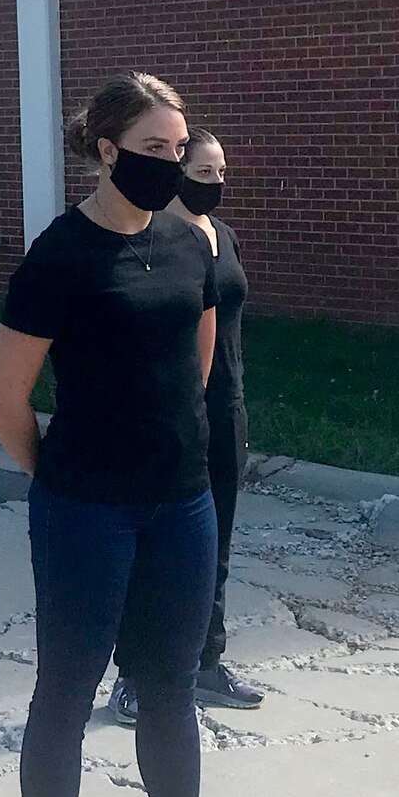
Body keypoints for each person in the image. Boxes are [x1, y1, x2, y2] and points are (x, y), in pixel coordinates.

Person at [0, 71, 274, 797]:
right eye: (154, 148)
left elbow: (193, 369)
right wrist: (65, 475)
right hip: (85, 509)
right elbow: (6, 398)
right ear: (106, 148)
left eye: (179, 147)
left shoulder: (192, 244)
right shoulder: (60, 255)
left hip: (180, 502)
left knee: (171, 686)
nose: (173, 162)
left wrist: (160, 459)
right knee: (65, 696)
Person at [109, 129, 266, 724]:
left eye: (222, 172)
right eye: (202, 173)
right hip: (170, 414)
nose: (215, 184)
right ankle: (133, 674)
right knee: (153, 550)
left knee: (213, 547)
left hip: (227, 408)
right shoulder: (153, 240)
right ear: (177, 171)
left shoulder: (220, 235)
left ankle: (205, 661)